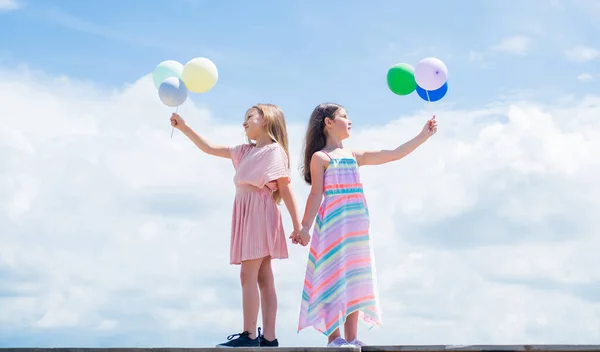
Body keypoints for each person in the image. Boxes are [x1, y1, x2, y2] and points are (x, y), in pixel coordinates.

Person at [292, 102, 437, 347]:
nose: (349, 121)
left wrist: (423, 135)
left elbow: (392, 154)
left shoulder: (354, 155)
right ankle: (334, 337)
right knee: (332, 275)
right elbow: (316, 194)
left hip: (357, 226)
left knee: (355, 277)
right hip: (333, 226)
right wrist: (304, 227)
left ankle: (351, 338)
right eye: (344, 116)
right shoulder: (321, 158)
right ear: (328, 123)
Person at [170, 104, 303, 348]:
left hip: (259, 212)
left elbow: (285, 188)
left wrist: (298, 225)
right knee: (263, 276)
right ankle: (269, 339)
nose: (244, 123)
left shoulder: (274, 151)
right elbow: (209, 148)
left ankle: (249, 335)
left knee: (248, 274)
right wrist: (184, 127)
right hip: (248, 211)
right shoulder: (244, 151)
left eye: (249, 117)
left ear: (265, 120)